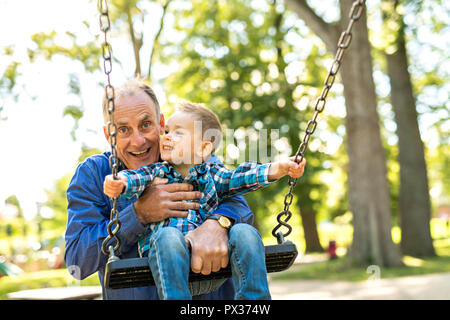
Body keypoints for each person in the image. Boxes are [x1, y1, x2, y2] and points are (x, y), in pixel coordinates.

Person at [65, 79, 255, 300]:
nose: (138, 140)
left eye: (146, 125)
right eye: (124, 130)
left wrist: (217, 224)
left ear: (161, 123)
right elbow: (77, 261)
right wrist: (138, 215)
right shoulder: (94, 175)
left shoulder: (190, 155)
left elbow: (238, 203)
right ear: (109, 136)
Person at [103, 101, 306, 299]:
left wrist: (277, 169)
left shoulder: (213, 174)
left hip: (214, 264)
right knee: (167, 237)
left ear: (203, 149)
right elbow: (136, 177)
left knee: (245, 232)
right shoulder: (156, 172)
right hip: (169, 264)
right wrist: (120, 182)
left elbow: (241, 177)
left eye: (178, 133)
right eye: (167, 132)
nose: (166, 137)